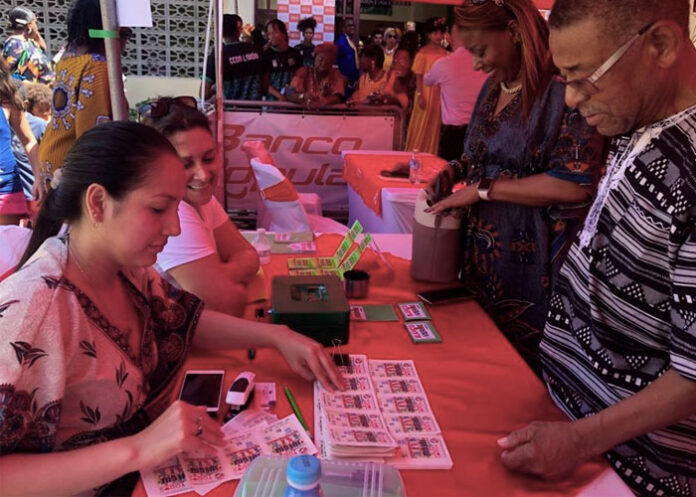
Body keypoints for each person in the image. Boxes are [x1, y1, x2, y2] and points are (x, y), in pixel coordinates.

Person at [0, 121, 343, 496]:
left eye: (177, 208)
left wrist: (277, 336)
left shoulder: (129, 268)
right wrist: (140, 448)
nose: (175, 228)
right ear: (98, 203)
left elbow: (181, 318)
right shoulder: (32, 312)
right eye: (159, 208)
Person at [497, 0, 696, 493]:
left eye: (585, 76)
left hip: (635, 470)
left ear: (661, 46)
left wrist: (580, 441)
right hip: (571, 427)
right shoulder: (642, 120)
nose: (570, 100)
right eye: (565, 78)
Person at [426, 0, 604, 376]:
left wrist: (483, 190)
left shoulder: (561, 92)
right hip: (484, 259)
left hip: (536, 264)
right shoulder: (494, 88)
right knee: (484, 366)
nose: (476, 64)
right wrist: (452, 172)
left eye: (480, 51)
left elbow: (573, 185)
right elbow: (477, 156)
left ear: (513, 32)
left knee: (524, 376)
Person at [140, 97, 259, 317]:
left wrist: (220, 276)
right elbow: (227, 305)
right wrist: (225, 280)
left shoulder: (201, 198)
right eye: (186, 164)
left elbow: (249, 254)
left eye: (208, 158)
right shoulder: (173, 212)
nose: (203, 175)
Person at [37, 0, 130, 190]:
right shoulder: (98, 67)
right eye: (125, 34)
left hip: (53, 159)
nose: (126, 45)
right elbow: (93, 133)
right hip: (72, 171)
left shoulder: (68, 60)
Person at [424, 24, 488, 161]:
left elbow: (427, 79)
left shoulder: (444, 64)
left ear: (452, 38)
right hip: (481, 132)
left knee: (451, 176)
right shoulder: (485, 63)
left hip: (453, 133)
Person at [0, 59, 39, 224]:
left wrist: (38, 176)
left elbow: (29, 141)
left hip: (6, 190)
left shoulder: (6, 97)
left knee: (8, 248)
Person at [404, 17, 448, 155]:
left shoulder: (446, 53)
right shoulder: (423, 52)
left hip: (440, 94)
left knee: (434, 127)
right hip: (425, 92)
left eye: (440, 33)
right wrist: (420, 94)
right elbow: (419, 75)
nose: (438, 36)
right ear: (429, 35)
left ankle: (430, 155)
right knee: (420, 125)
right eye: (435, 33)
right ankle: (414, 155)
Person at [202, 14, 265, 101]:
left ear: (220, 31)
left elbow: (204, 93)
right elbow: (264, 87)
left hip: (229, 110)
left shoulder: (217, 55)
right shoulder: (256, 51)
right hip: (255, 110)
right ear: (238, 31)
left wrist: (215, 89)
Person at [11, 81, 50, 203]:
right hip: (11, 196)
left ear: (24, 104)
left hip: (33, 196)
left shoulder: (39, 126)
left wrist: (40, 180)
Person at [2, 7, 53, 85]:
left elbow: (43, 49)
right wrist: (25, 84)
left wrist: (34, 31)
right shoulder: (15, 43)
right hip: (27, 94)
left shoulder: (30, 42)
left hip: (41, 93)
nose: (37, 26)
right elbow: (4, 72)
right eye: (35, 22)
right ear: (29, 25)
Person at [286, 43, 345, 109]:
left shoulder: (336, 74)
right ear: (315, 58)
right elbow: (289, 93)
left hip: (327, 115)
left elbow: (338, 97)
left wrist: (323, 102)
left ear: (332, 63)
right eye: (320, 60)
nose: (323, 64)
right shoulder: (303, 72)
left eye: (328, 61)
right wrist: (303, 96)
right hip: (303, 114)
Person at [263, 19, 301, 101]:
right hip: (270, 105)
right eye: (269, 34)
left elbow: (299, 78)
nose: (272, 36)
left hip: (292, 102)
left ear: (283, 33)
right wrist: (279, 96)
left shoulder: (295, 54)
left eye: (275, 32)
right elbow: (263, 82)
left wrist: (289, 93)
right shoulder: (265, 55)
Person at [336, 18, 359, 98]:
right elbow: (336, 61)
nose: (352, 27)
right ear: (344, 28)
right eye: (349, 25)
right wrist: (342, 77)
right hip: (344, 83)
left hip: (352, 83)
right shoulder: (341, 41)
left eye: (353, 25)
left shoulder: (349, 40)